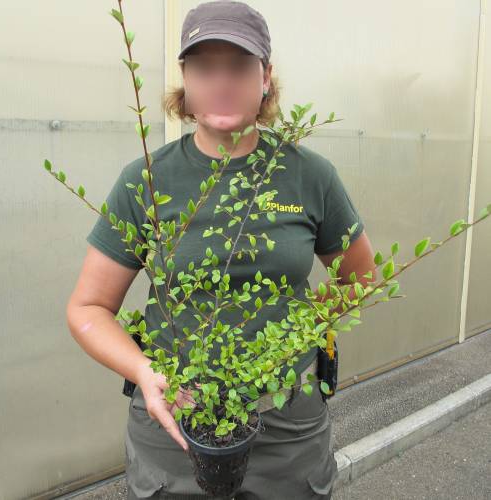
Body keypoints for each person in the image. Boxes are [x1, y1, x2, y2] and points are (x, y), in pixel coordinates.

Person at [66, 1, 376, 499]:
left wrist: (298, 335)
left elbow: (360, 278)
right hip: (174, 424)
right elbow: (87, 308)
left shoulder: (309, 175)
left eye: (238, 65)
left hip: (285, 426)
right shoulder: (146, 179)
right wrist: (147, 374)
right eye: (205, 67)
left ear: (266, 77)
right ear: (185, 80)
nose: (222, 81)